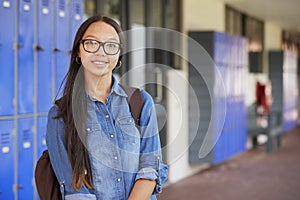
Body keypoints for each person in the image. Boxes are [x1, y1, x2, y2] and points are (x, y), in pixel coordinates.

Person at [46, 15, 168, 200]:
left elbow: (150, 168)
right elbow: (74, 192)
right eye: (92, 43)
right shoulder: (60, 115)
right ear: (79, 51)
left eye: (111, 45)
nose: (101, 52)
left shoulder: (140, 102)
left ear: (118, 56)